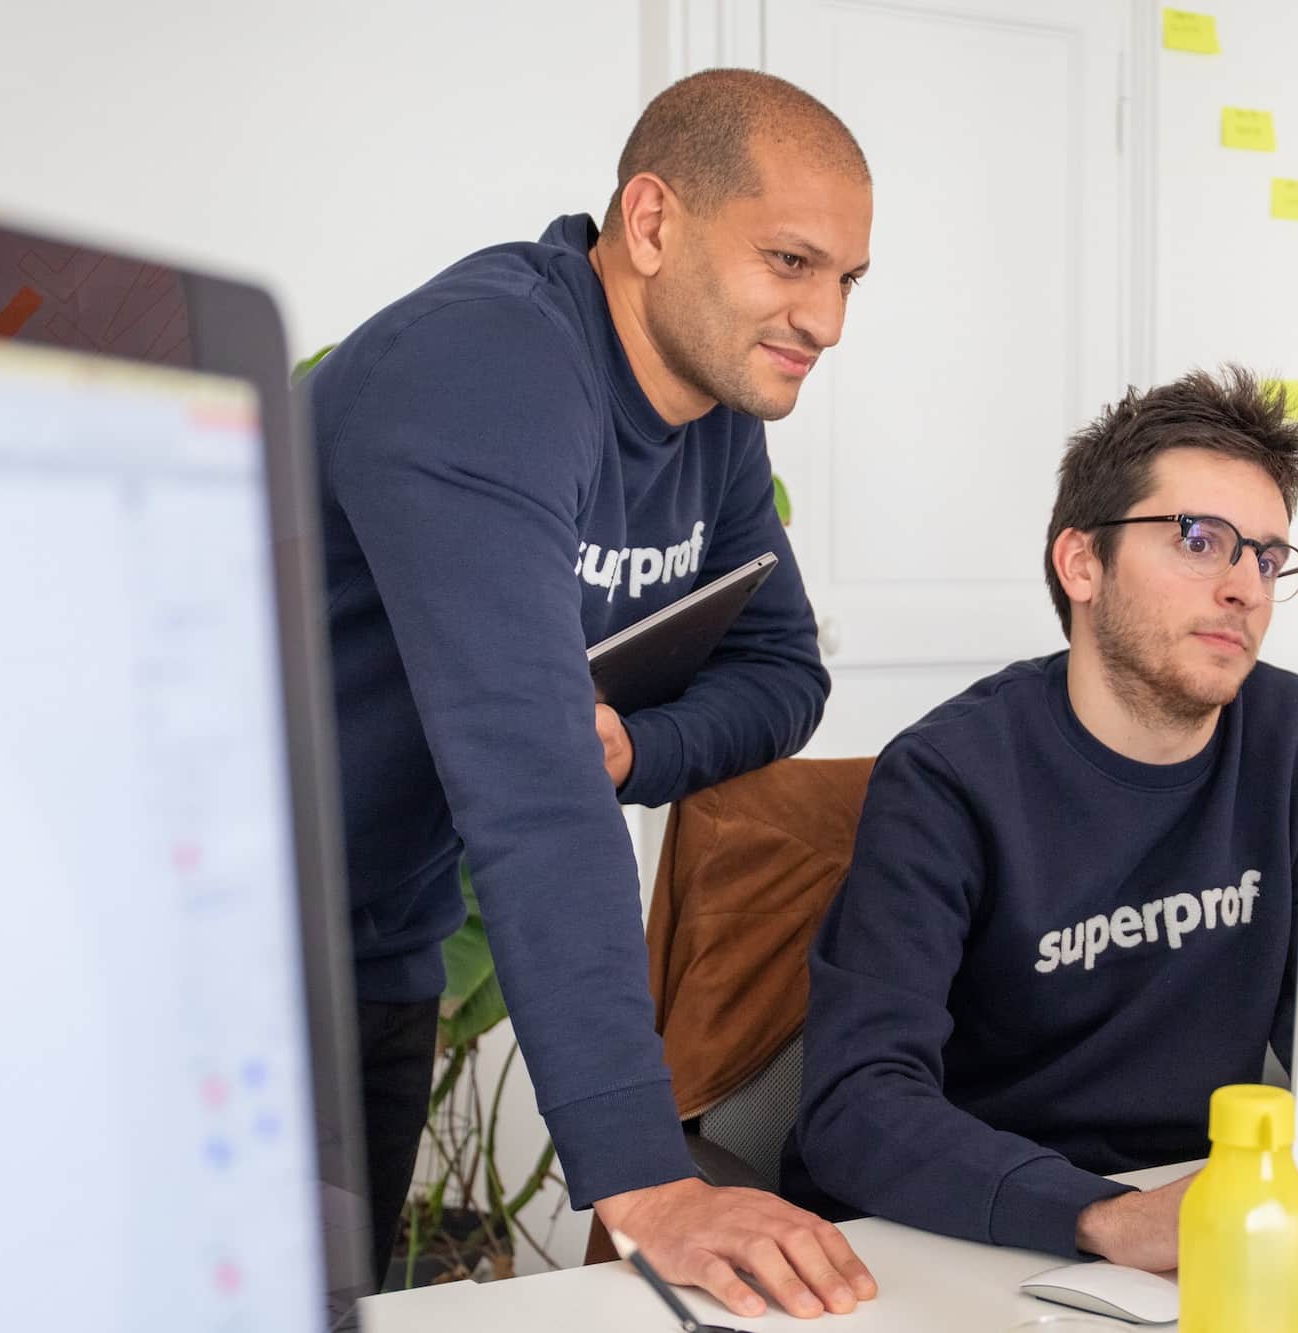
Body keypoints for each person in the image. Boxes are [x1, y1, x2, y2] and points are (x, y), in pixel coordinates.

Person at [306, 68, 877, 1318]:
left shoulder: (710, 414)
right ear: (653, 220)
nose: (825, 318)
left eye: (847, 278)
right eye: (789, 261)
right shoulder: (484, 367)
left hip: (377, 947)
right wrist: (643, 1178)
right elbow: (529, 788)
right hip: (200, 949)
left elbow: (781, 670)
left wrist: (632, 747)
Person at [783, 367, 1298, 1273]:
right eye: (1199, 539)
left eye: (1267, 557)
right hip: (964, 1236)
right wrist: (1106, 1217)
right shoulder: (949, 776)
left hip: (1186, 1224)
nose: (1246, 589)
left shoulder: (1292, 736)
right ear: (1082, 563)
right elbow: (855, 1102)